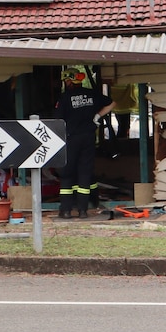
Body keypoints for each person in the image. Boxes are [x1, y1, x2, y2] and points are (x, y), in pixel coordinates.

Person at [54, 69, 115, 219]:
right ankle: (83, 211)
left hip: (71, 139)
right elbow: (112, 103)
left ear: (69, 81)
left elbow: (57, 120)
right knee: (85, 173)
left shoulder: (65, 98)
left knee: (67, 174)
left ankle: (66, 211)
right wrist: (97, 116)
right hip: (88, 139)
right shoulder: (91, 94)